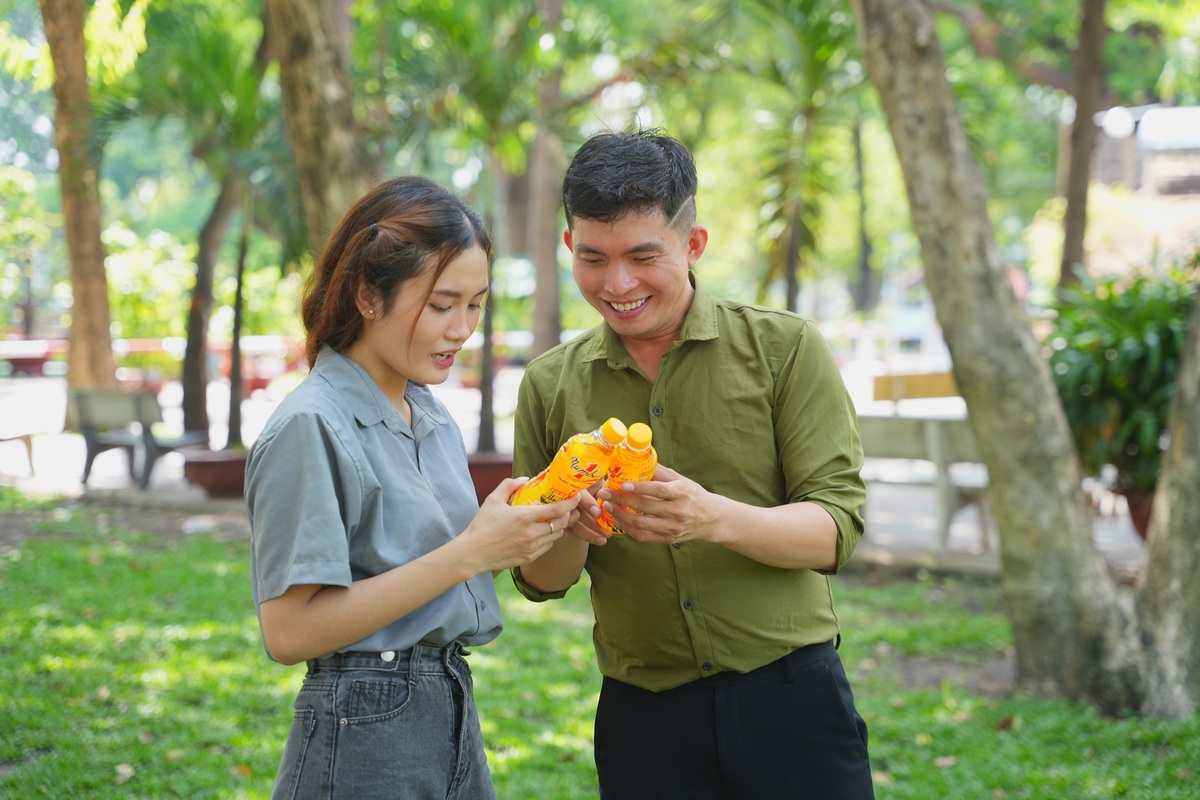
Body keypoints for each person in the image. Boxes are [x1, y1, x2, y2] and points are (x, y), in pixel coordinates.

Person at [511, 130, 875, 799]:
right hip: (643, 717)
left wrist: (712, 518)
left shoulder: (784, 349)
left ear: (693, 244)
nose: (617, 284)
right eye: (593, 259)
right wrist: (568, 526)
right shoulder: (548, 384)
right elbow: (541, 581)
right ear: (569, 247)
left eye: (643, 256)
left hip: (792, 699)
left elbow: (836, 530)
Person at [245, 175, 580, 800]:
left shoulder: (429, 415)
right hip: (364, 722)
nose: (462, 329)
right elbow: (289, 632)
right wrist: (472, 552)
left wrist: (530, 526)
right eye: (441, 304)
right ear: (368, 296)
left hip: (448, 706)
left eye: (476, 304)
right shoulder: (310, 424)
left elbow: (438, 569)